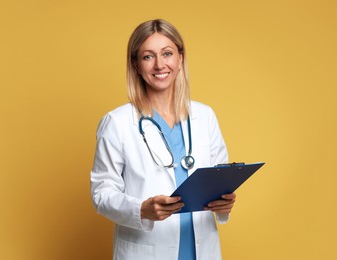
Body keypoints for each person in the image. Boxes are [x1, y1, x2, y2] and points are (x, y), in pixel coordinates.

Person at [90, 19, 236, 260]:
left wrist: (224, 203)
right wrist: (141, 210)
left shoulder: (205, 116)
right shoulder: (117, 122)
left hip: (201, 249)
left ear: (180, 59)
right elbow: (101, 192)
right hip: (147, 250)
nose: (160, 64)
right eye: (148, 56)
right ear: (136, 64)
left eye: (167, 53)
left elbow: (219, 180)